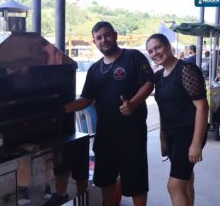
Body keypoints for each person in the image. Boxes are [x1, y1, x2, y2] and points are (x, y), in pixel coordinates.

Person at [62, 21, 154, 206]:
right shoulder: (94, 69)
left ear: (115, 35)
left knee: (136, 182)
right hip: (105, 134)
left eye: (107, 35)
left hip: (132, 133)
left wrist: (134, 103)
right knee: (106, 180)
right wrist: (60, 109)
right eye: (99, 37)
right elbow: (86, 99)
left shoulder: (133, 57)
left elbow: (149, 82)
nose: (104, 40)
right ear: (94, 42)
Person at [146, 33, 209, 206]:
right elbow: (164, 110)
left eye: (158, 47)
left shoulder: (186, 69)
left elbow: (202, 107)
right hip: (172, 135)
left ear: (168, 46)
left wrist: (196, 144)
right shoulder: (158, 77)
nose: (155, 53)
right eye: (151, 51)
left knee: (174, 186)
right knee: (185, 179)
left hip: (188, 134)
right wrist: (162, 138)